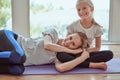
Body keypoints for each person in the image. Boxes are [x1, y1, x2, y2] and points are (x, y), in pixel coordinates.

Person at [55, 0, 113, 72]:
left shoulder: (97, 28)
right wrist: (75, 52)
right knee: (61, 55)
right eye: (78, 9)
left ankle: (76, 62)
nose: (81, 11)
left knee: (109, 54)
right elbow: (66, 43)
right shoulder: (73, 26)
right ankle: (90, 64)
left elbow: (97, 47)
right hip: (72, 52)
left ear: (91, 8)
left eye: (84, 8)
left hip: (87, 53)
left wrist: (84, 52)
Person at [0, 28, 90, 75]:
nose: (68, 42)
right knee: (19, 56)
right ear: (69, 34)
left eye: (73, 44)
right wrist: (71, 51)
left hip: (12, 58)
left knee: (18, 70)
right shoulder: (53, 34)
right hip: (9, 38)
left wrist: (82, 58)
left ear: (74, 48)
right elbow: (48, 46)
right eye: (70, 37)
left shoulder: (57, 57)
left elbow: (61, 68)